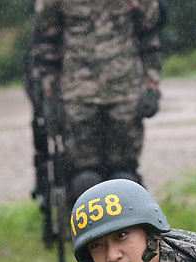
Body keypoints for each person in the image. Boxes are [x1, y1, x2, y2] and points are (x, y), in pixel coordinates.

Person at [30, 0, 164, 207]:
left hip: (124, 94)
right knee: (85, 179)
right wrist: (48, 93)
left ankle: (127, 233)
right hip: (77, 97)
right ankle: (89, 235)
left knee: (125, 177)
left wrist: (152, 84)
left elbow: (149, 34)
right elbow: (46, 41)